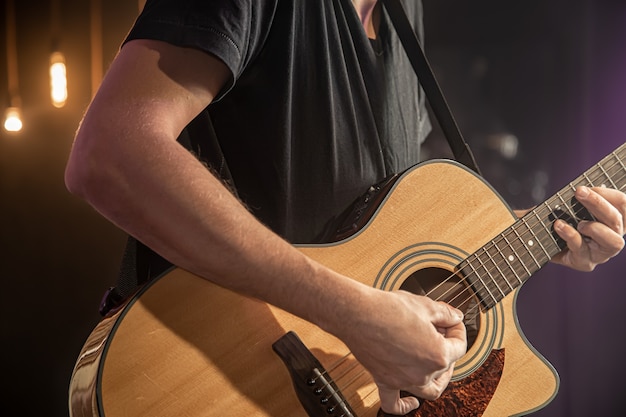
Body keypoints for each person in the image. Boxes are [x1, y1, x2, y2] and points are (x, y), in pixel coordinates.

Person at [64, 0, 626, 414]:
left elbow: (386, 216)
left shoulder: (406, 15)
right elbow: (110, 153)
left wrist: (548, 233)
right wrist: (350, 313)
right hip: (200, 379)